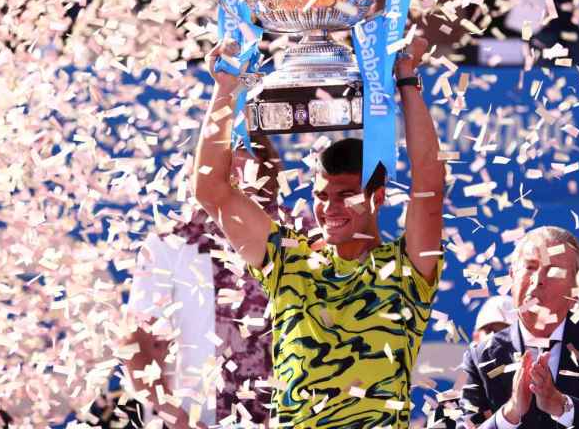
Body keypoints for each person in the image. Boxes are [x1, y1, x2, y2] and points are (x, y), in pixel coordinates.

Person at [191, 36, 446, 427]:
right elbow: (211, 190)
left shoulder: (408, 269)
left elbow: (428, 179)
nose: (330, 208)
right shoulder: (289, 260)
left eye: (346, 195)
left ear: (377, 198)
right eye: (321, 196)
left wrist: (407, 79)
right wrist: (225, 88)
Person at [123, 135, 283, 428]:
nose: (232, 192)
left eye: (245, 179)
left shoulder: (296, 236)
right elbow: (134, 344)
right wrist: (177, 418)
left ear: (269, 182)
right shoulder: (168, 244)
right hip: (199, 419)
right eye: (225, 177)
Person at [459, 227, 579, 429]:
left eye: (553, 271)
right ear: (511, 277)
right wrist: (510, 414)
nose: (537, 281)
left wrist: (563, 407)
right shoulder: (481, 356)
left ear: (577, 291)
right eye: (530, 267)